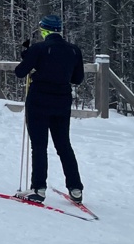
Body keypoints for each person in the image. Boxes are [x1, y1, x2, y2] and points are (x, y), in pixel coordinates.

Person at [14, 14, 85, 204]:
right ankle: (75, 188)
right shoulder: (73, 50)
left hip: (38, 101)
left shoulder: (39, 48)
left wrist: (27, 56)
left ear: (44, 30)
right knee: (63, 145)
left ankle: (38, 188)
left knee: (39, 146)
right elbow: (77, 79)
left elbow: (20, 72)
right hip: (62, 102)